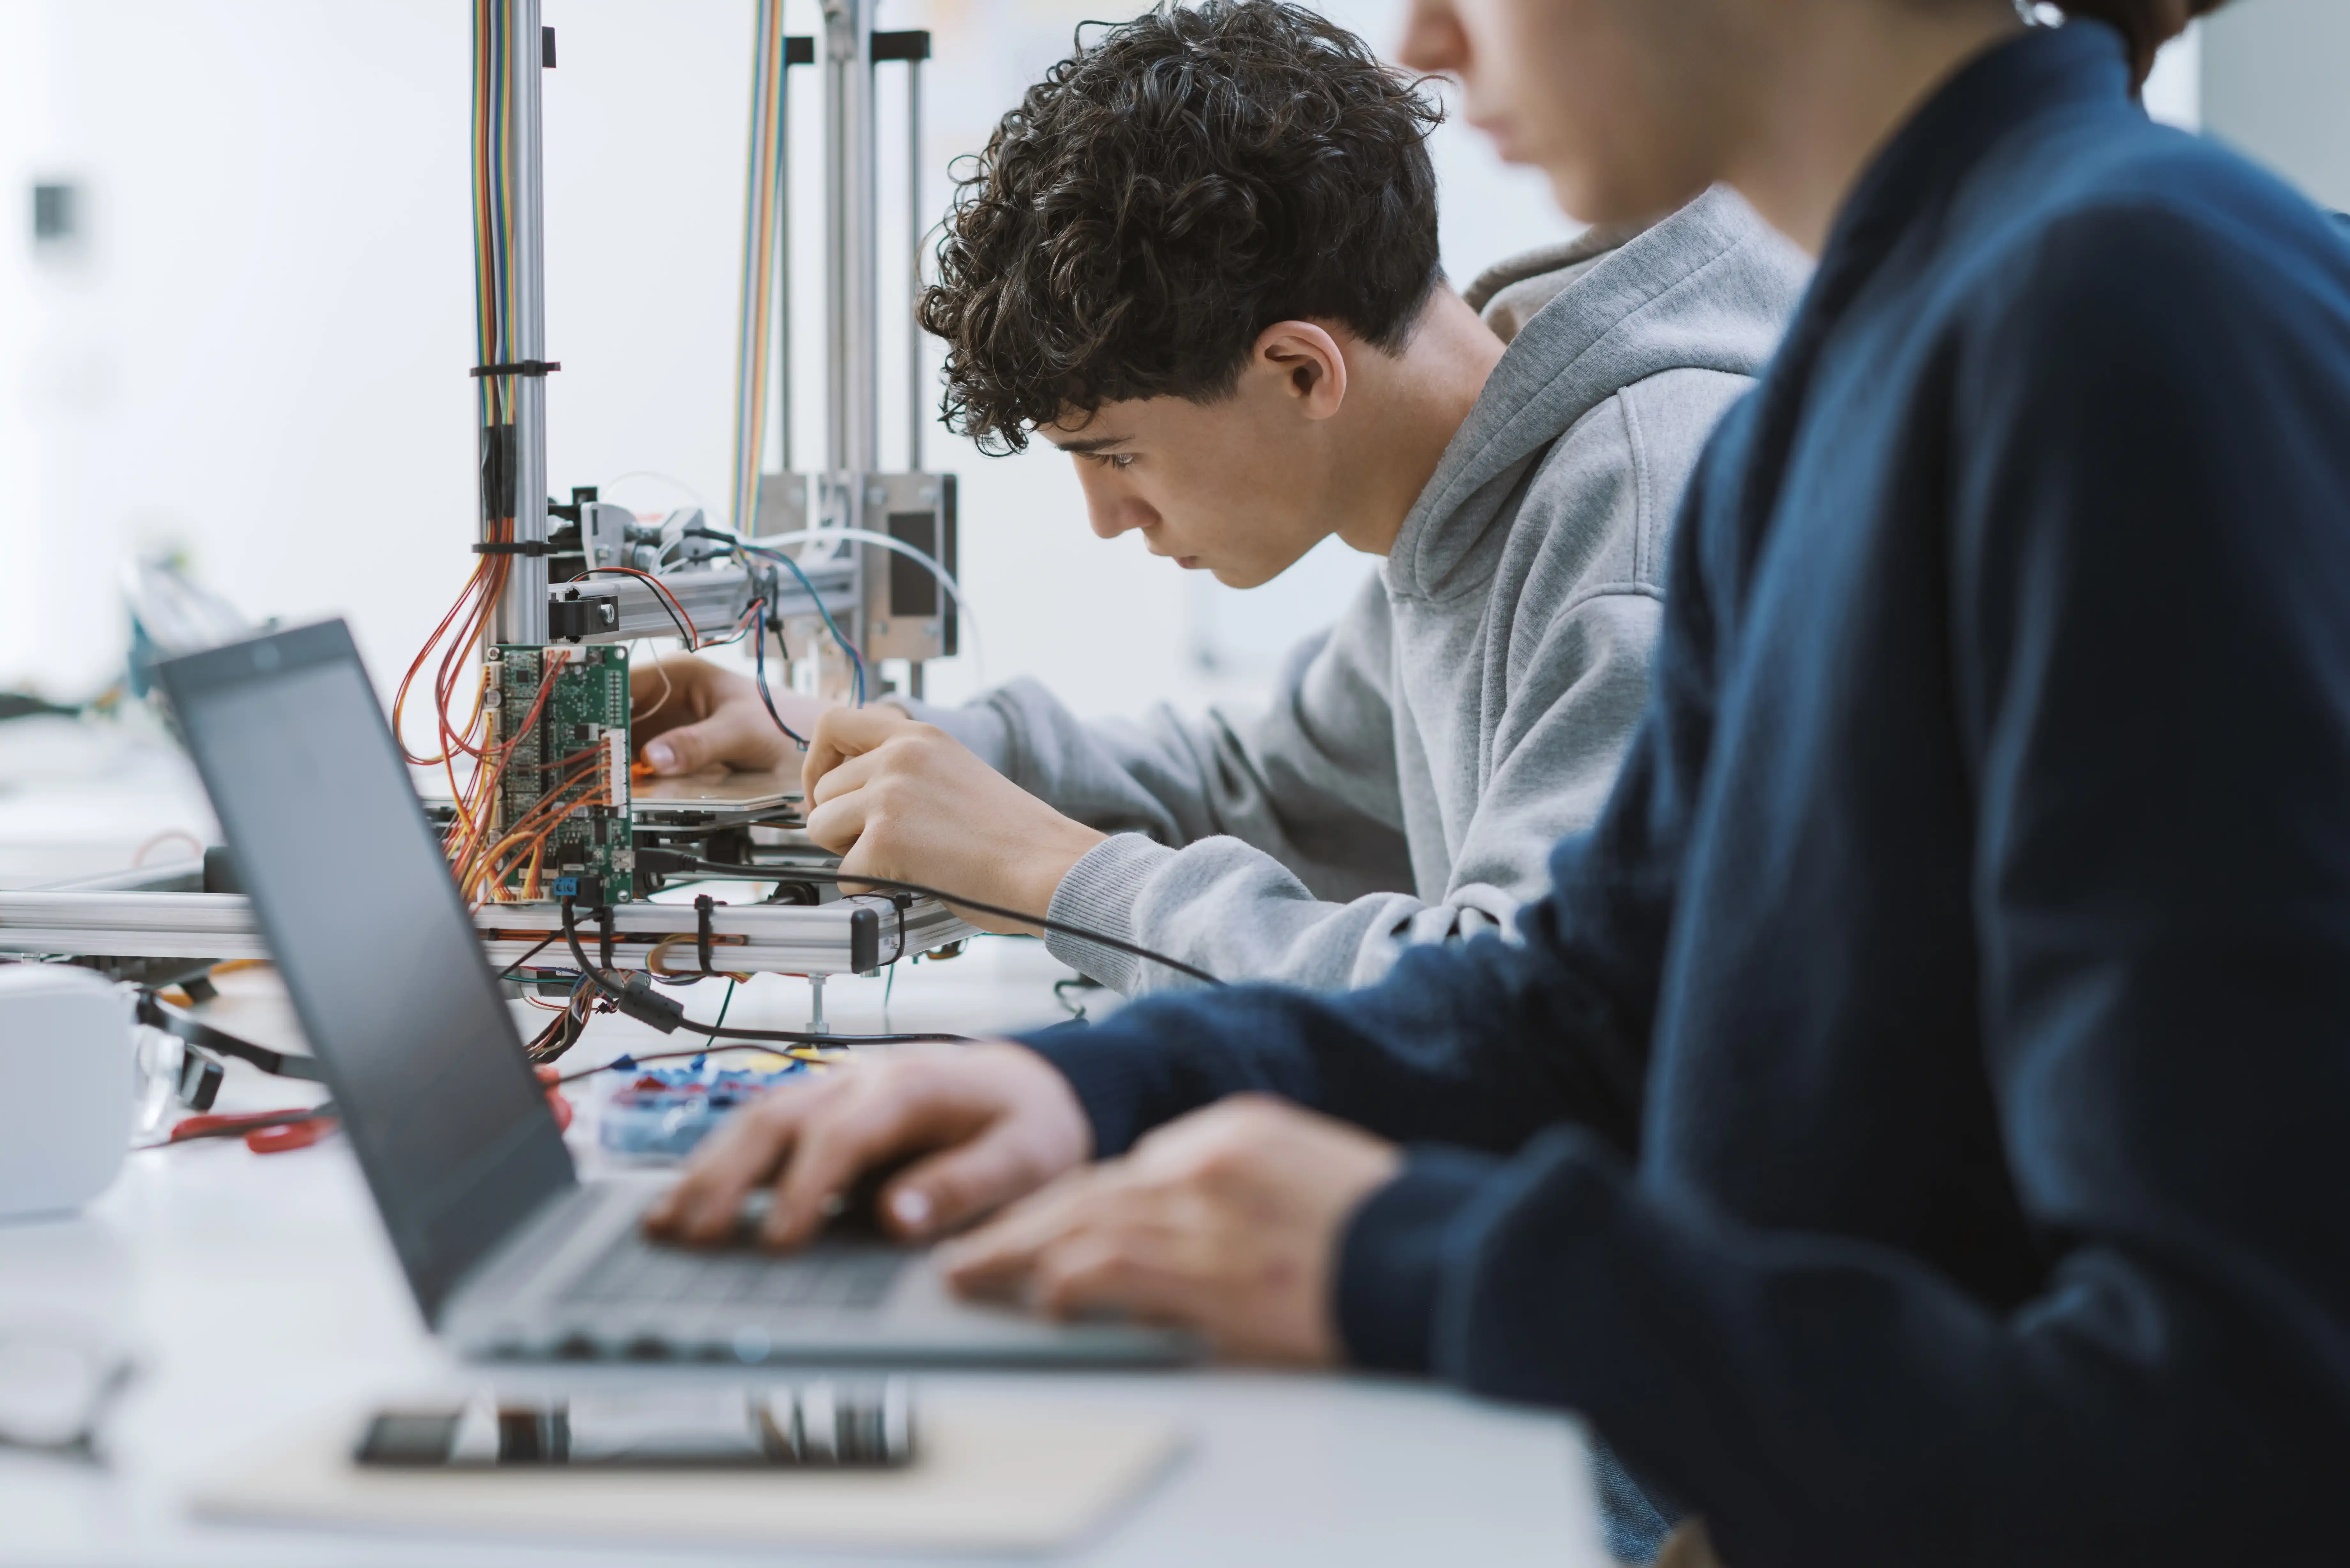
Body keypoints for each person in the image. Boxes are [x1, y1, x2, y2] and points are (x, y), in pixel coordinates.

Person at [653, 0, 2350, 1561]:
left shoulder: (2117, 313)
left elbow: (2233, 1418)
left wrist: (1405, 1257)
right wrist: (1099, 1093)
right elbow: (1590, 1008)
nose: (1426, 40)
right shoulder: (1847, 382)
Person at [633, 0, 1806, 994]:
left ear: (1300, 371)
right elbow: (1271, 790)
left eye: (1119, 456)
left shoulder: (1638, 515)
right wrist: (858, 749)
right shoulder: (1470, 507)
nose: (1108, 519)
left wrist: (1053, 878)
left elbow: (1522, 1005)